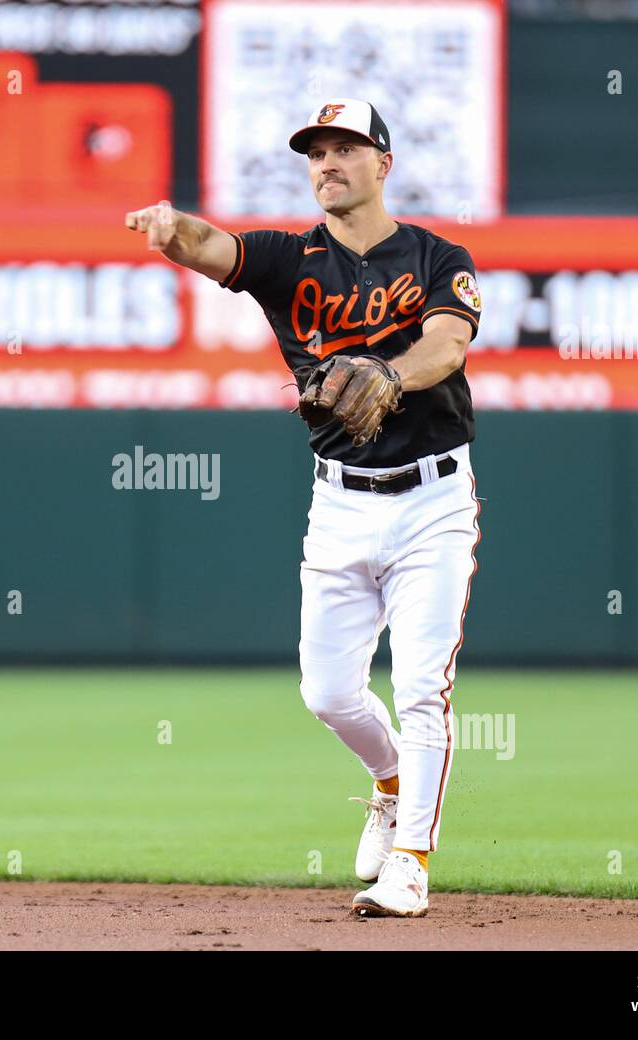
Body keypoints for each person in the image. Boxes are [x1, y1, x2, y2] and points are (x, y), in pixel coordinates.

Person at [125, 98, 482, 918]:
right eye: (316, 152)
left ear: (382, 163)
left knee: (423, 687)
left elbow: (447, 343)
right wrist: (173, 228)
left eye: (345, 148)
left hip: (433, 498)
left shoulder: (436, 255)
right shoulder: (292, 261)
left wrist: (391, 373)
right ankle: (388, 783)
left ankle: (411, 866)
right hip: (340, 503)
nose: (327, 162)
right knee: (327, 694)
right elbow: (216, 248)